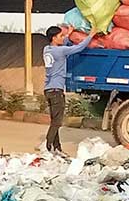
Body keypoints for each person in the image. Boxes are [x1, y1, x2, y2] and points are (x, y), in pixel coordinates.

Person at [40, 25, 93, 154]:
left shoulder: (47, 49)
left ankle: (57, 147)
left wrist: (68, 35)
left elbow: (65, 46)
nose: (62, 38)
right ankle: (47, 147)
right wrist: (91, 35)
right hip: (57, 90)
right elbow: (79, 48)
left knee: (54, 121)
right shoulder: (60, 51)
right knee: (57, 122)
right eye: (60, 36)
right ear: (54, 38)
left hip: (48, 89)